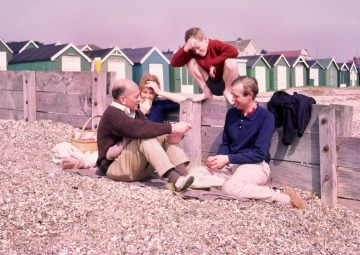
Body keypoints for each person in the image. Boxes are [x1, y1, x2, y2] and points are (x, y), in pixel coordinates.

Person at [206, 76, 307, 209]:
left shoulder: (266, 118)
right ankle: (241, 185)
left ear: (250, 95)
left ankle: (282, 197)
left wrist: (227, 158)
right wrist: (218, 158)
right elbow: (225, 143)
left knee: (230, 188)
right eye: (232, 95)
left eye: (236, 96)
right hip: (231, 164)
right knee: (197, 174)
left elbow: (259, 154)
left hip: (256, 165)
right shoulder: (231, 114)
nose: (232, 99)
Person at [96, 79, 194, 192]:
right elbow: (138, 129)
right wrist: (173, 127)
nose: (139, 99)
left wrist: (178, 135)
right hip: (115, 169)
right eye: (136, 97)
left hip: (137, 169)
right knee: (143, 137)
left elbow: (150, 126)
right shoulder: (112, 114)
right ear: (123, 99)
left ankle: (184, 175)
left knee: (162, 135)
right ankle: (175, 179)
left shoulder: (135, 112)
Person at [170, 27, 239, 104]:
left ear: (205, 39)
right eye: (193, 50)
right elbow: (174, 63)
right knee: (190, 62)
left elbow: (234, 52)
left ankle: (228, 92)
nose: (196, 52)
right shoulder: (191, 51)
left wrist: (215, 63)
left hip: (228, 83)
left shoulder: (214, 44)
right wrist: (185, 49)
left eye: (198, 47)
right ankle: (206, 92)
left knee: (231, 62)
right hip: (212, 84)